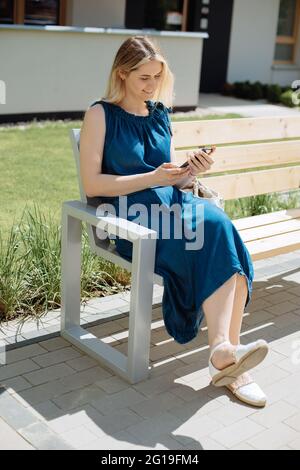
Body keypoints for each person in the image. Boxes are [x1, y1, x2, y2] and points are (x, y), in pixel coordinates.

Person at [80, 35, 268, 407]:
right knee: (217, 232)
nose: (151, 85)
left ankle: (224, 352)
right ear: (122, 73)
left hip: (174, 207)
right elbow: (92, 183)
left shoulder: (160, 113)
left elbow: (174, 178)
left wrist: (190, 172)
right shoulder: (100, 114)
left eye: (156, 77)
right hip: (133, 221)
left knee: (220, 227)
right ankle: (229, 363)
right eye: (143, 78)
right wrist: (152, 177)